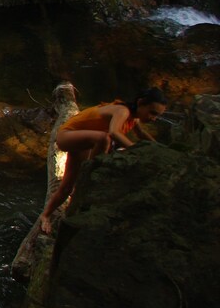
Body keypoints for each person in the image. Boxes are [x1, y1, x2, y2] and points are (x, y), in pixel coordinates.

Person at [37, 87, 167, 234]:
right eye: (152, 112)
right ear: (141, 102)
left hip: (85, 142)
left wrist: (160, 149)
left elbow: (142, 134)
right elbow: (114, 132)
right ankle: (92, 170)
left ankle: (45, 215)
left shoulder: (134, 118)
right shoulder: (122, 111)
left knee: (67, 187)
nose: (153, 118)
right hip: (67, 136)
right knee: (105, 138)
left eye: (157, 116)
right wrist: (134, 149)